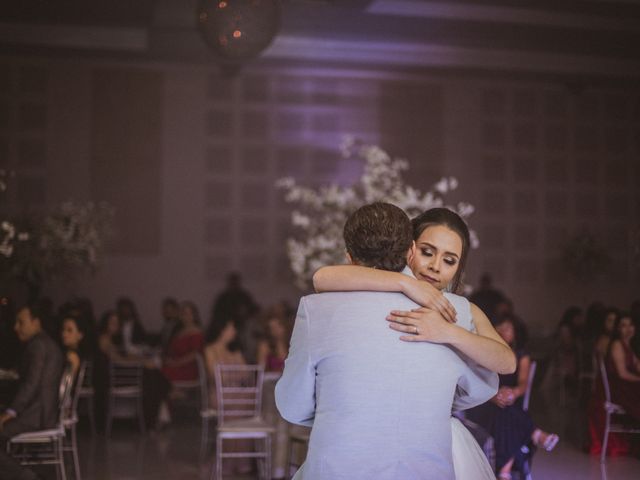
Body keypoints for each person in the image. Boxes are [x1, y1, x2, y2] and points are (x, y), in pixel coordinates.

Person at [276, 203, 506, 480]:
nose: (435, 266)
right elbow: (483, 387)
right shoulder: (456, 311)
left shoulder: (317, 308)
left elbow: (292, 405)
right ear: (411, 250)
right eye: (428, 252)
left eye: (449, 259)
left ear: (349, 256)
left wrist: (341, 412)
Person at [467, 314, 559, 479]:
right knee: (507, 413)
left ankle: (504, 471)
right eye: (499, 326)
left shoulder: (521, 355)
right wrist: (492, 396)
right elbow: (475, 382)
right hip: (483, 403)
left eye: (507, 328)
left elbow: (523, 383)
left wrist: (513, 393)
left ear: (515, 333)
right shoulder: (483, 351)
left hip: (508, 403)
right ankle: (536, 434)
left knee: (505, 412)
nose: (502, 330)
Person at [0, 303, 64, 480]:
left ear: (36, 323)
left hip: (35, 416)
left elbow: (31, 384)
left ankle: (28, 477)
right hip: (42, 412)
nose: (15, 327)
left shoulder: (38, 345)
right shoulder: (45, 343)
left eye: (21, 322)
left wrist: (9, 412)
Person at [161, 301, 204, 383]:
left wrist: (175, 363)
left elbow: (194, 354)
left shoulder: (197, 332)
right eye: (183, 313)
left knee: (163, 373)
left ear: (194, 316)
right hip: (175, 364)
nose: (185, 316)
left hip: (188, 368)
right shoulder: (179, 331)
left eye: (188, 314)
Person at [257, 306, 292, 373]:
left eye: (278, 327)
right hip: (271, 382)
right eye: (272, 328)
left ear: (285, 326)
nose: (275, 331)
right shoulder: (264, 346)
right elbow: (261, 371)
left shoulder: (293, 344)